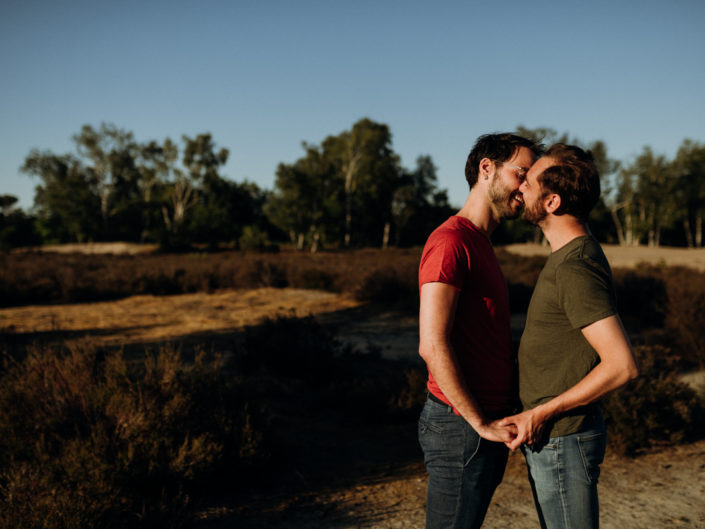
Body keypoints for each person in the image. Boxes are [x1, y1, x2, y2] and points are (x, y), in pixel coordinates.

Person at [499, 143, 639, 529]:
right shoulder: (569, 256)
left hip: (563, 440)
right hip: (557, 440)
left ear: (553, 201)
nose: (520, 187)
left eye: (529, 182)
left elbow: (622, 366)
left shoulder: (575, 267)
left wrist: (542, 412)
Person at [417, 132, 543, 529]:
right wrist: (478, 423)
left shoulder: (480, 243)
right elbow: (432, 343)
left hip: (482, 423)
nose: (526, 189)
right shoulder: (451, 242)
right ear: (486, 168)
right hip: (461, 426)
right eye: (521, 174)